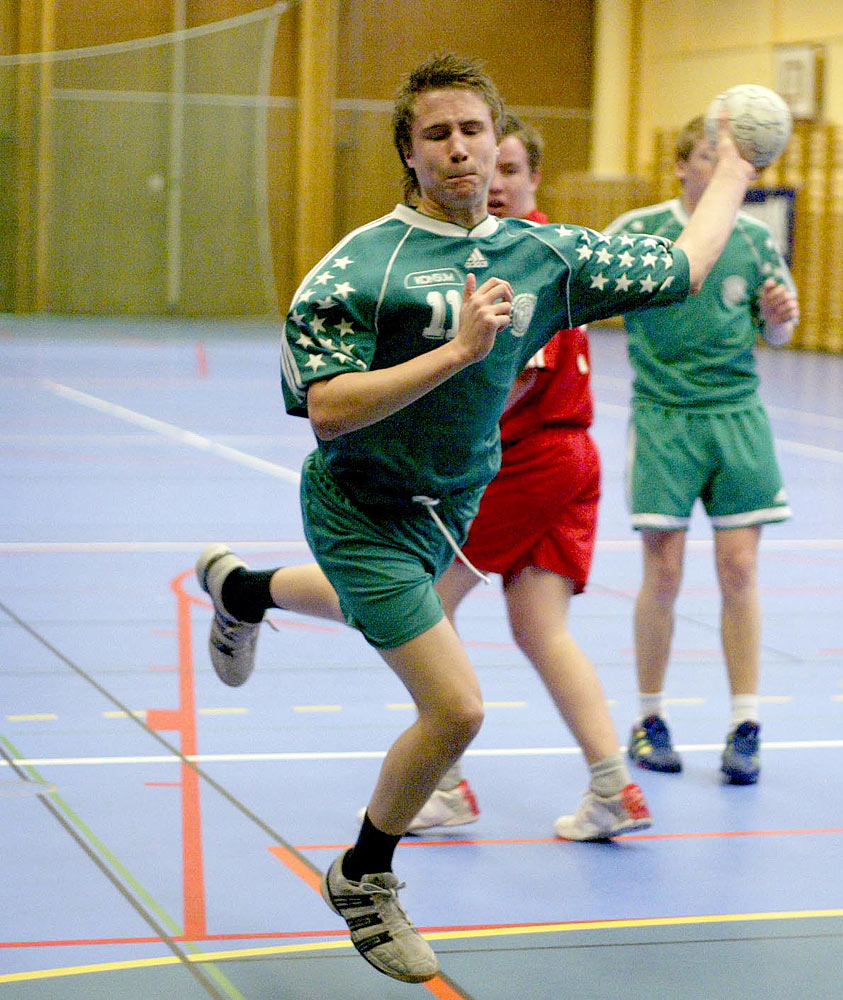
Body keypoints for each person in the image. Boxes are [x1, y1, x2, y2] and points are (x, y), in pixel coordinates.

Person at [207, 54, 758, 984]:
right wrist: (461, 351)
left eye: (473, 130)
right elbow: (331, 407)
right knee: (456, 705)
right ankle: (364, 875)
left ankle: (242, 589)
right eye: (436, 135)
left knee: (384, 616)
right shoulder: (358, 268)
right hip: (360, 505)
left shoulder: (541, 255)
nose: (460, 150)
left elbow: (683, 265)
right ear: (409, 155)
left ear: (496, 140)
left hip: (450, 506)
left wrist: (737, 167)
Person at [198, 112, 631, 841]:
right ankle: (613, 783)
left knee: (415, 605)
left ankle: (441, 781)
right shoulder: (486, 261)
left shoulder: (533, 268)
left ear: (527, 176)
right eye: (486, 171)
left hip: (523, 465)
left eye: (510, 169)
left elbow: (505, 385)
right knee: (539, 629)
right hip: (558, 463)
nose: (492, 183)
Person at [604, 116, 800, 785]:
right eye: (706, 158)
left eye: (728, 160)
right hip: (664, 418)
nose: (719, 169)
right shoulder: (637, 233)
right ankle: (649, 717)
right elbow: (589, 292)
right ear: (682, 167)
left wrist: (778, 320)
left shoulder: (753, 238)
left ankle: (745, 723)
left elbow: (779, 333)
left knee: (739, 567)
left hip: (736, 414)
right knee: (662, 572)